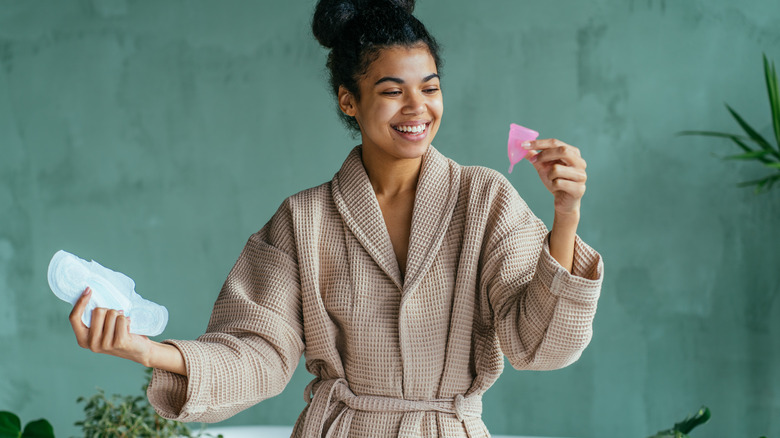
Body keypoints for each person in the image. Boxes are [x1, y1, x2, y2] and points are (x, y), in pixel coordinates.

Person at [69, 0, 604, 436]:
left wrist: (565, 216)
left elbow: (539, 346)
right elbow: (257, 352)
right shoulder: (303, 220)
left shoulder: (484, 199)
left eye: (430, 87)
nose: (417, 108)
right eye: (392, 91)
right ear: (349, 101)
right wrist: (146, 350)